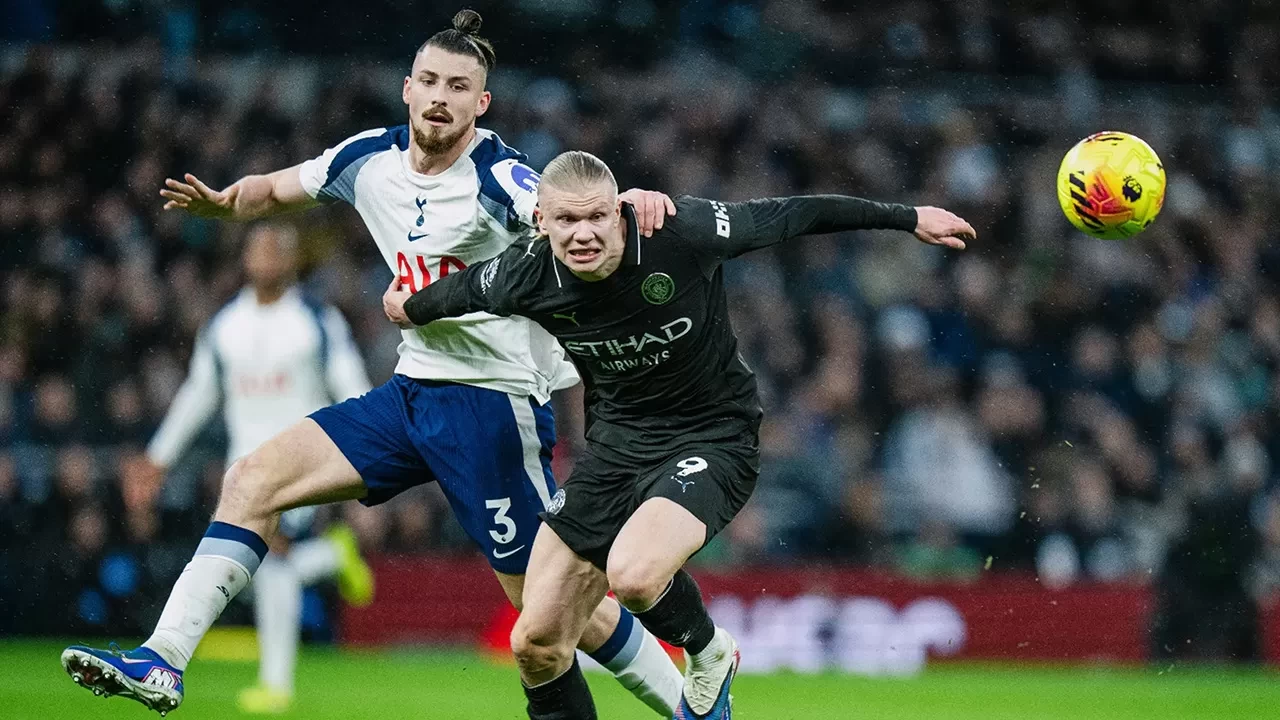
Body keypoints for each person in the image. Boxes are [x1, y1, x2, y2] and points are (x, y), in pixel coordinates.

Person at [60, 11, 683, 717]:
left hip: (493, 408)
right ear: (407, 89)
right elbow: (277, 187)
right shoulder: (366, 160)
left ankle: (693, 707)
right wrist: (227, 202)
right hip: (411, 392)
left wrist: (613, 207)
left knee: (554, 610)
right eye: (429, 81)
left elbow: (553, 207)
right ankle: (163, 659)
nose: (441, 96)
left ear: (482, 104)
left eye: (459, 86)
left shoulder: (495, 172)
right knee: (251, 481)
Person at [383, 150, 975, 719]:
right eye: (566, 219)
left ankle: (712, 653)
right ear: (541, 222)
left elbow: (796, 213)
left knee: (635, 577)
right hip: (615, 450)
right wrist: (407, 308)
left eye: (596, 216)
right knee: (535, 641)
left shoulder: (678, 232)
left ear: (619, 210)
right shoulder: (524, 273)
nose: (583, 233)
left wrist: (907, 218)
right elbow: (458, 293)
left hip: (712, 437)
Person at [142, 223, 375, 714]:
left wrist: (364, 454)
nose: (269, 257)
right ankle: (332, 558)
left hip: (304, 462)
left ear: (294, 260)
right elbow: (198, 394)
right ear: (245, 258)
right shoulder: (224, 324)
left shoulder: (318, 319)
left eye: (280, 249)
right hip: (241, 471)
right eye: (261, 248)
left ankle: (275, 685)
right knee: (254, 574)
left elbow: (350, 385)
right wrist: (157, 458)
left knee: (271, 568)